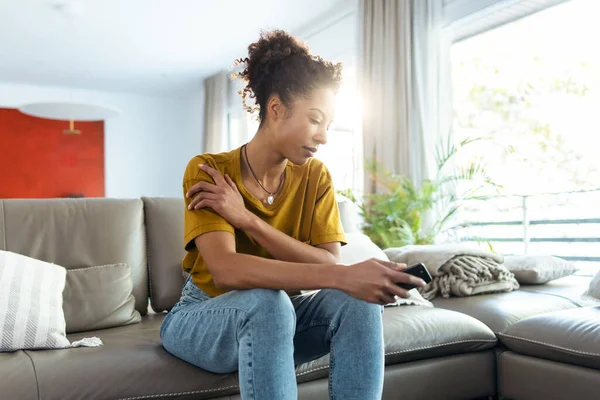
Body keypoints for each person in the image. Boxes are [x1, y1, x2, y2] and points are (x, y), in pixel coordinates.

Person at [160, 30, 426, 400]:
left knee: (355, 302)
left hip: (282, 314)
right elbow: (227, 269)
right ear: (275, 109)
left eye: (329, 125)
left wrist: (248, 220)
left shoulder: (316, 176)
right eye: (315, 120)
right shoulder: (208, 170)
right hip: (205, 315)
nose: (323, 137)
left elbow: (327, 260)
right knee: (268, 303)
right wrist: (343, 275)